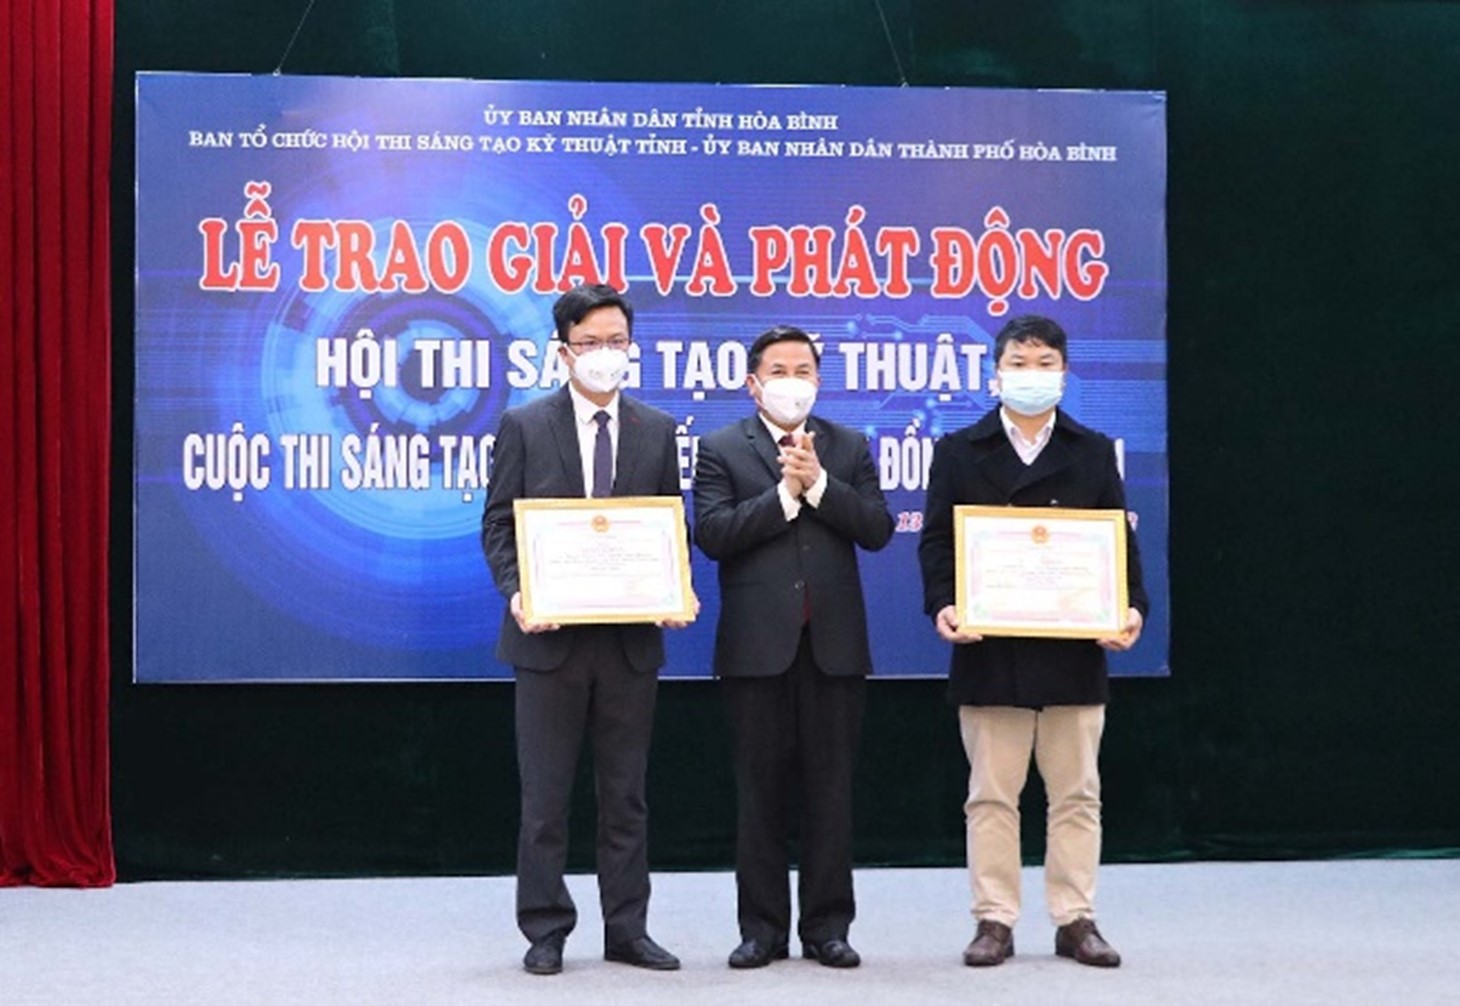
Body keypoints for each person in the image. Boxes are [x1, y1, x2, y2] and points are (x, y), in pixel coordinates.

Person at [917, 314, 1148, 970]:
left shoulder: (1092, 450)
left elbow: (1118, 540)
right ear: (996, 374)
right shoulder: (958, 450)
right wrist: (944, 603)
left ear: (1065, 374)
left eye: (1045, 363)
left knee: (1077, 794)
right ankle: (994, 919)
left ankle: (1076, 918)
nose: (1031, 374)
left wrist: (1130, 608)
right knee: (991, 794)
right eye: (1019, 363)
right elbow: (936, 542)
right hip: (991, 649)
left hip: (1072, 649)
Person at [481, 284, 688, 976]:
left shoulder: (657, 429)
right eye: (591, 342)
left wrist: (673, 585)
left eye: (617, 341)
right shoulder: (524, 425)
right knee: (545, 799)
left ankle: (628, 929)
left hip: (629, 644)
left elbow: (668, 524)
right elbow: (499, 525)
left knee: (626, 797)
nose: (606, 354)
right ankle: (545, 929)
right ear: (563, 352)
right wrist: (518, 593)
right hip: (548, 641)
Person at [693, 325, 894, 970]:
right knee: (759, 794)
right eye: (777, 372)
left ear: (819, 380)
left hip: (834, 647)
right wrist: (784, 496)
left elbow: (878, 529)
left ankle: (828, 927)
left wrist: (822, 487)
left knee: (831, 792)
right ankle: (762, 930)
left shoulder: (848, 446)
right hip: (756, 649)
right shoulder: (721, 448)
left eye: (802, 370)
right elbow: (713, 534)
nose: (791, 382)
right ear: (753, 384)